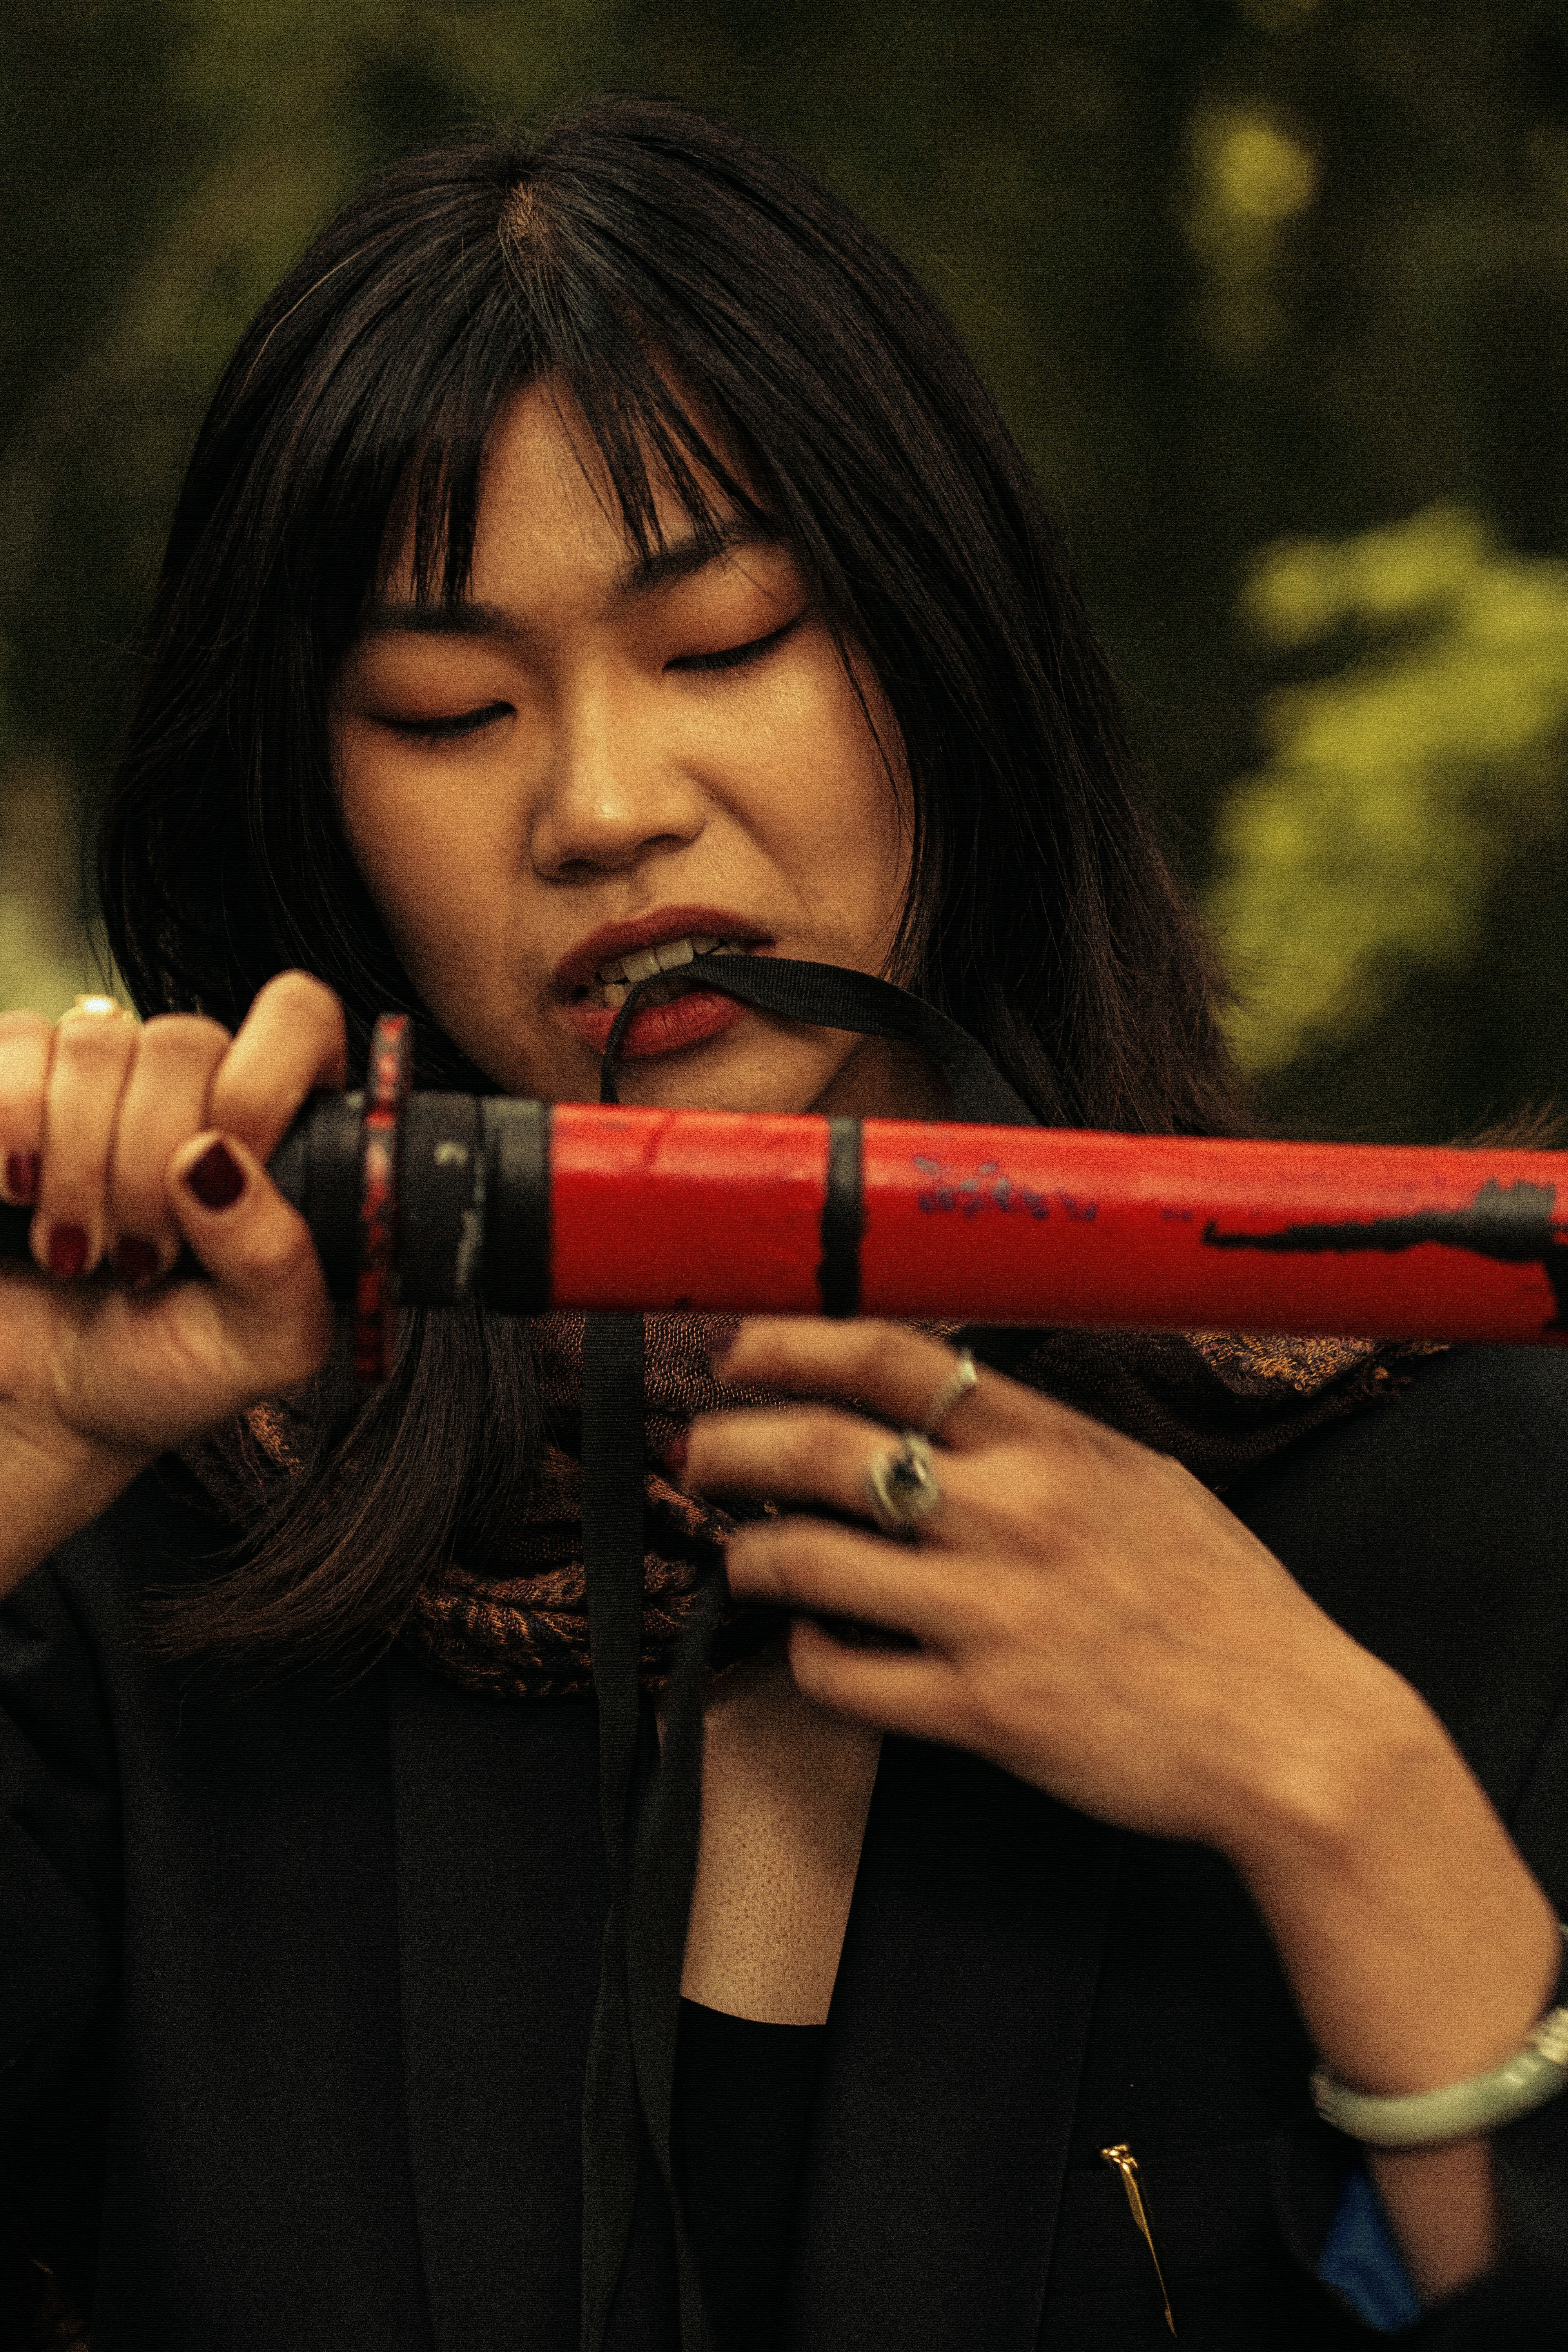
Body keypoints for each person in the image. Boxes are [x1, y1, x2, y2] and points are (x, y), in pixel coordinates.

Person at [2, 94, 1567, 2352]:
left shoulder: (1451, 1494)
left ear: (942, 651)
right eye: (448, 710)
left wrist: (1336, 1793)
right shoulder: (162, 1543)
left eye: (725, 643)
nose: (609, 810)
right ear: (315, 802)